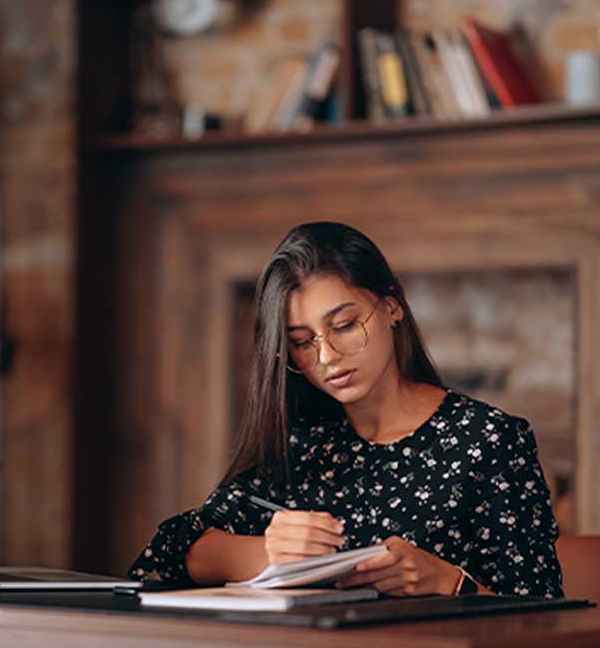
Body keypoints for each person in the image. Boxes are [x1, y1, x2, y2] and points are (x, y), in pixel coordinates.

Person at [126, 222, 564, 599]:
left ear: (391, 306)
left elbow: (547, 622)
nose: (328, 357)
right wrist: (263, 552)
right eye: (301, 342)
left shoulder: (488, 441)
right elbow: (166, 553)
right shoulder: (301, 443)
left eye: (344, 326)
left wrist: (450, 581)